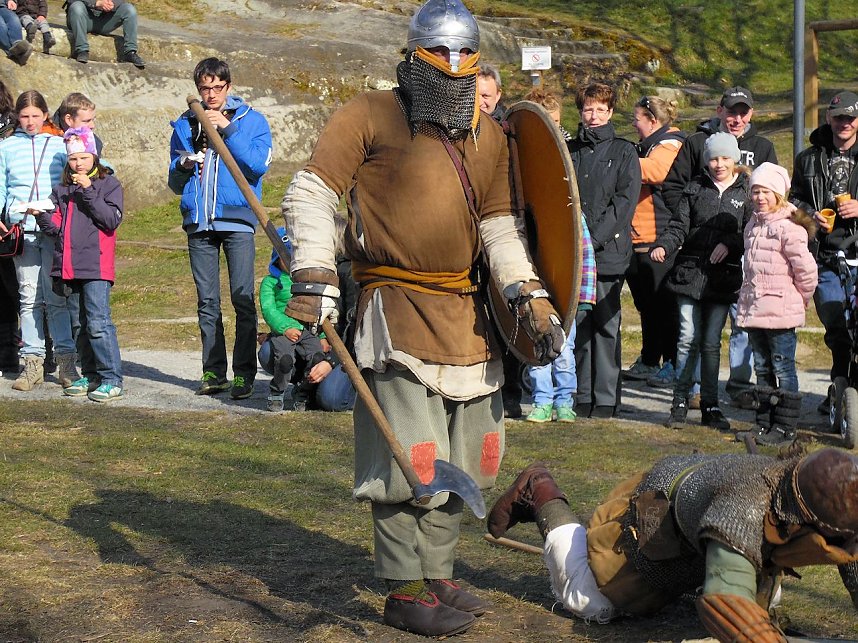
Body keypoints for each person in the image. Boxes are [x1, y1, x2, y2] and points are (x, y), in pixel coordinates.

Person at [281, 0, 564, 636]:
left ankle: (438, 573)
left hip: (468, 316)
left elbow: (499, 225)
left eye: (469, 56)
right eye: (446, 55)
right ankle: (403, 586)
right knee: (412, 459)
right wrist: (318, 275)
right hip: (396, 311)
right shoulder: (369, 114)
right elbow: (314, 192)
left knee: (470, 460)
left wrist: (528, 292)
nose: (458, 67)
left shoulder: (487, 134)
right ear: (414, 57)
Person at [487, 450, 858, 640]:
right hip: (649, 519)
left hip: (698, 520)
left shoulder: (812, 497)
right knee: (591, 601)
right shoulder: (745, 505)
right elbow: (726, 602)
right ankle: (541, 490)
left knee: (766, 596)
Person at [663, 86, 777, 410]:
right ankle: (696, 389)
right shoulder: (697, 143)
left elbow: (773, 196)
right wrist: (695, 222)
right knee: (696, 332)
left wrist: (740, 236)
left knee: (739, 323)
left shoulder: (763, 147)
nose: (737, 118)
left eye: (743, 112)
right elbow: (674, 187)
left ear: (751, 114)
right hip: (698, 256)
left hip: (745, 250)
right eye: (731, 111)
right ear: (719, 110)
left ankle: (739, 385)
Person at [168, 57, 272, 401]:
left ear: (228, 86)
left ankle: (244, 374)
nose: (210, 95)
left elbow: (256, 166)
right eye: (204, 88)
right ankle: (213, 371)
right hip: (199, 222)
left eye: (217, 87)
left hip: (238, 221)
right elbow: (173, 181)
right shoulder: (185, 124)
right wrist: (182, 163)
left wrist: (227, 129)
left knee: (243, 298)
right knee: (206, 302)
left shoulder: (251, 121)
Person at [652, 132, 750, 432]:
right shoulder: (694, 188)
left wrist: (730, 244)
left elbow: (749, 231)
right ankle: (680, 402)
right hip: (689, 275)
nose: (718, 164)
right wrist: (664, 246)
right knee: (686, 338)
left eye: (724, 158)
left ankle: (710, 404)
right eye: (713, 158)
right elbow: (678, 226)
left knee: (710, 344)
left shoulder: (746, 192)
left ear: (734, 159)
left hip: (722, 281)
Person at [568, 82, 641, 418]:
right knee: (580, 324)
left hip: (607, 251)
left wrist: (593, 239)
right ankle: (583, 396)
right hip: (575, 254)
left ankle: (607, 398)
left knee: (606, 327)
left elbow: (623, 203)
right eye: (588, 109)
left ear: (610, 112)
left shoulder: (624, 152)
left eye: (600, 109)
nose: (593, 115)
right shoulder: (570, 151)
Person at [35, 127, 124, 401]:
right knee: (80, 324)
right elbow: (56, 228)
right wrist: (41, 214)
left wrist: (88, 191)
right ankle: (91, 374)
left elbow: (110, 220)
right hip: (70, 266)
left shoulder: (109, 185)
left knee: (98, 322)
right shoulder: (62, 189)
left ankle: (111, 378)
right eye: (73, 159)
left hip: (96, 266)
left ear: (94, 158)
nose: (78, 164)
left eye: (84, 157)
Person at [524, 87, 595, 424]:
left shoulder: (569, 159)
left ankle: (565, 399)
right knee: (537, 337)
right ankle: (541, 399)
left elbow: (579, 243)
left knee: (564, 345)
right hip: (535, 266)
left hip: (564, 272)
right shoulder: (524, 160)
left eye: (554, 122)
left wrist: (583, 292)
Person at [0, 90, 77, 392]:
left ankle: (66, 362)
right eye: (24, 116)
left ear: (45, 115)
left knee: (57, 298)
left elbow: (90, 164)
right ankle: (31, 362)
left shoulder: (61, 145)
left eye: (35, 115)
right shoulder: (6, 147)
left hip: (54, 230)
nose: (30, 122)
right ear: (16, 117)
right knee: (28, 298)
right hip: (22, 231)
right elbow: (1, 184)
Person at [735, 163, 817, 446]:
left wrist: (799, 299)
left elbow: (806, 271)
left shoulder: (788, 228)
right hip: (755, 311)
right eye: (755, 191)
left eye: (766, 192)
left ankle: (785, 427)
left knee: (783, 369)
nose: (759, 197)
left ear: (778, 194)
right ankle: (764, 424)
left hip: (781, 312)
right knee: (762, 368)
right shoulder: (752, 227)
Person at [790, 90, 858, 416]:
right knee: (836, 322)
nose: (844, 122)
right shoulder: (808, 158)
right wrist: (810, 216)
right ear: (829, 118)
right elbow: (793, 202)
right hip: (825, 254)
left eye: (850, 117)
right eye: (839, 116)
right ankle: (841, 387)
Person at [623, 96, 684, 387]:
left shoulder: (670, 144)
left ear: (653, 120)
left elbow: (657, 171)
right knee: (647, 306)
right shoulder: (646, 146)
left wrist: (619, 163)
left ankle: (672, 362)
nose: (634, 123)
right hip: (637, 239)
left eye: (637, 118)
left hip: (659, 239)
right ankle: (649, 359)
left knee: (665, 306)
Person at [258, 230, 329, 412]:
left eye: (294, 257)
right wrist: (285, 327)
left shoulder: (307, 280)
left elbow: (319, 309)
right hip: (284, 331)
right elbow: (269, 309)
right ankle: (276, 392)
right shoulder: (270, 282)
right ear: (277, 257)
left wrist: (321, 334)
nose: (290, 261)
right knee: (285, 360)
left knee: (318, 357)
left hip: (308, 330)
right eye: (285, 256)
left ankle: (302, 390)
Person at [65, 0, 144, 67]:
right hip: (82, 17)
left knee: (129, 9)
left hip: (104, 20)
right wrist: (96, 3)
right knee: (76, 7)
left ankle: (130, 52)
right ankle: (81, 50)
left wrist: (111, 4)